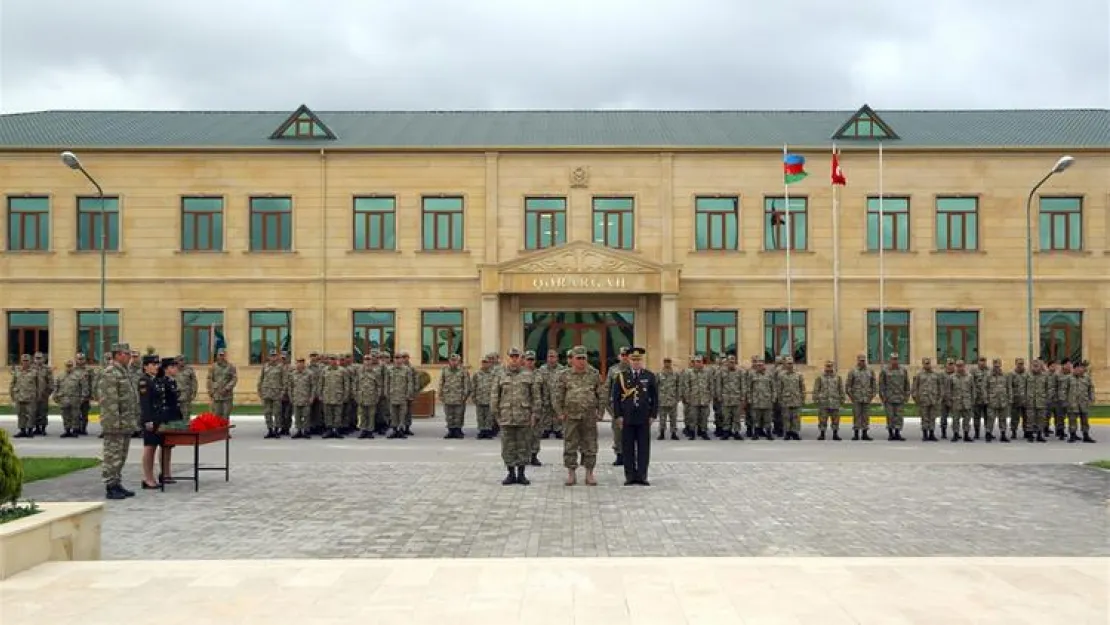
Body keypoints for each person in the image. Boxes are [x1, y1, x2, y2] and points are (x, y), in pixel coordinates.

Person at [553, 345, 605, 486]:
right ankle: (571, 473)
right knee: (570, 444)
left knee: (590, 445)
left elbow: (601, 394)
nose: (582, 361)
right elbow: (557, 396)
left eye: (584, 358)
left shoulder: (594, 374)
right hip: (570, 416)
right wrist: (560, 413)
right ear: (572, 360)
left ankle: (589, 474)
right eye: (579, 358)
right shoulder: (564, 375)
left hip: (589, 416)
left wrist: (600, 412)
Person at [490, 347, 539, 485]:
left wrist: (535, 414)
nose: (514, 359)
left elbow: (535, 396)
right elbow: (494, 395)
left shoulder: (528, 375)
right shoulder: (500, 375)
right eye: (512, 356)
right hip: (506, 417)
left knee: (524, 446)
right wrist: (496, 414)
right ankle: (510, 473)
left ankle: (521, 474)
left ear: (521, 358)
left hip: (524, 417)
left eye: (517, 356)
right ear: (508, 358)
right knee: (508, 446)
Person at [611, 346, 658, 486]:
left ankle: (642, 475)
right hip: (627, 417)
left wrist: (653, 415)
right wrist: (618, 416)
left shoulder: (649, 376)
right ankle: (630, 476)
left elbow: (655, 397)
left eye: (638, 360)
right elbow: (616, 398)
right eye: (633, 359)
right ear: (629, 360)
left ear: (642, 361)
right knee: (628, 447)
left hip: (644, 417)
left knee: (643, 448)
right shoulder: (621, 376)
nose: (636, 362)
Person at [99, 343, 139, 500]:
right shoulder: (110, 373)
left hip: (125, 422)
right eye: (126, 354)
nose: (129, 357)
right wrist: (114, 424)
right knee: (112, 455)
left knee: (121, 455)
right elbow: (109, 401)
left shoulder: (123, 372)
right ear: (117, 355)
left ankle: (117, 482)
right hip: (115, 423)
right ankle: (110, 485)